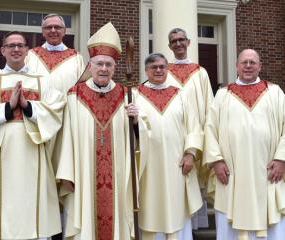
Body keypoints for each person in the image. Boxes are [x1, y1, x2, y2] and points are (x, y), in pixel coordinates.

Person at [0, 31, 66, 239]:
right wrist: (7, 108)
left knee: (31, 206)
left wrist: (27, 106)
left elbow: (56, 111)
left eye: (20, 45)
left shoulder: (43, 80)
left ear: (27, 51)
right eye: (11, 46)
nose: (16, 49)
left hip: (32, 151)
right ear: (2, 51)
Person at [56, 22, 135, 240]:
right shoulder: (75, 95)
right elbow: (66, 137)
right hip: (83, 174)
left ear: (114, 68)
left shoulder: (125, 95)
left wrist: (136, 122)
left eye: (108, 65)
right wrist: (66, 173)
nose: (104, 69)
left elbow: (136, 140)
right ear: (89, 66)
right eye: (99, 64)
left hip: (116, 175)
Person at [204, 49, 285, 239]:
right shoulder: (223, 95)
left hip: (268, 172)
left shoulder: (275, 92)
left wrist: (281, 159)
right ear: (236, 66)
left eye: (252, 62)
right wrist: (216, 161)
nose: (248, 66)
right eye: (244, 62)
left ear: (260, 66)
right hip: (231, 172)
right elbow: (210, 129)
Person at [134, 53, 203, 240]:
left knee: (177, 209)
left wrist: (190, 154)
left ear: (167, 69)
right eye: (153, 67)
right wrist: (133, 122)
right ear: (146, 70)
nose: (158, 70)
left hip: (177, 165)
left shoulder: (181, 94)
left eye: (162, 67)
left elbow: (194, 127)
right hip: (147, 167)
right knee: (149, 208)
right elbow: (129, 132)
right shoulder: (134, 95)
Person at [167, 27, 214, 229]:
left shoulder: (200, 72)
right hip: (173, 136)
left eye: (181, 40)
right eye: (174, 41)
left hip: (196, 137)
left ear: (189, 42)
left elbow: (209, 107)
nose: (178, 44)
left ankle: (191, 228)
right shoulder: (163, 71)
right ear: (169, 46)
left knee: (193, 181)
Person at [25, 13, 84, 95]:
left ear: (64, 31)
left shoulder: (76, 58)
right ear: (43, 32)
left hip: (67, 107)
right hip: (37, 107)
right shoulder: (31, 55)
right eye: (49, 27)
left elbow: (82, 88)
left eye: (57, 27)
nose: (53, 30)